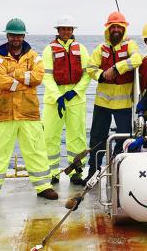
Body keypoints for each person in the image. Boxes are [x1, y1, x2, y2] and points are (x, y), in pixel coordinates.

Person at [0, 18, 58, 205]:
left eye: (19, 34)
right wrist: (24, 82)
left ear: (24, 35)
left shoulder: (35, 57)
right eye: (13, 34)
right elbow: (0, 81)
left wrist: (13, 77)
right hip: (4, 113)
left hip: (29, 112)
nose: (16, 38)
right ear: (7, 35)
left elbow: (38, 77)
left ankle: (43, 186)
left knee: (36, 150)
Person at [84, 11, 142, 184]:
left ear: (124, 29)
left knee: (124, 138)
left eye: (119, 26)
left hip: (123, 103)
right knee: (97, 138)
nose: (115, 29)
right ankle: (93, 172)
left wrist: (117, 68)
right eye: (113, 27)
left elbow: (137, 59)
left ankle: (116, 169)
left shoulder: (130, 45)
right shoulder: (100, 49)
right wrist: (102, 75)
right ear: (108, 29)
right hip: (102, 103)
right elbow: (90, 68)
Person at [42, 15, 91, 185]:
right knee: (49, 136)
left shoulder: (82, 49)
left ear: (72, 31)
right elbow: (46, 77)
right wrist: (58, 97)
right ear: (58, 30)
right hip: (53, 101)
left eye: (68, 29)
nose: (66, 32)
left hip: (76, 99)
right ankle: (51, 173)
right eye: (63, 28)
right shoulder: (49, 50)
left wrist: (75, 91)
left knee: (77, 136)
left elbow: (87, 75)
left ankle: (76, 171)